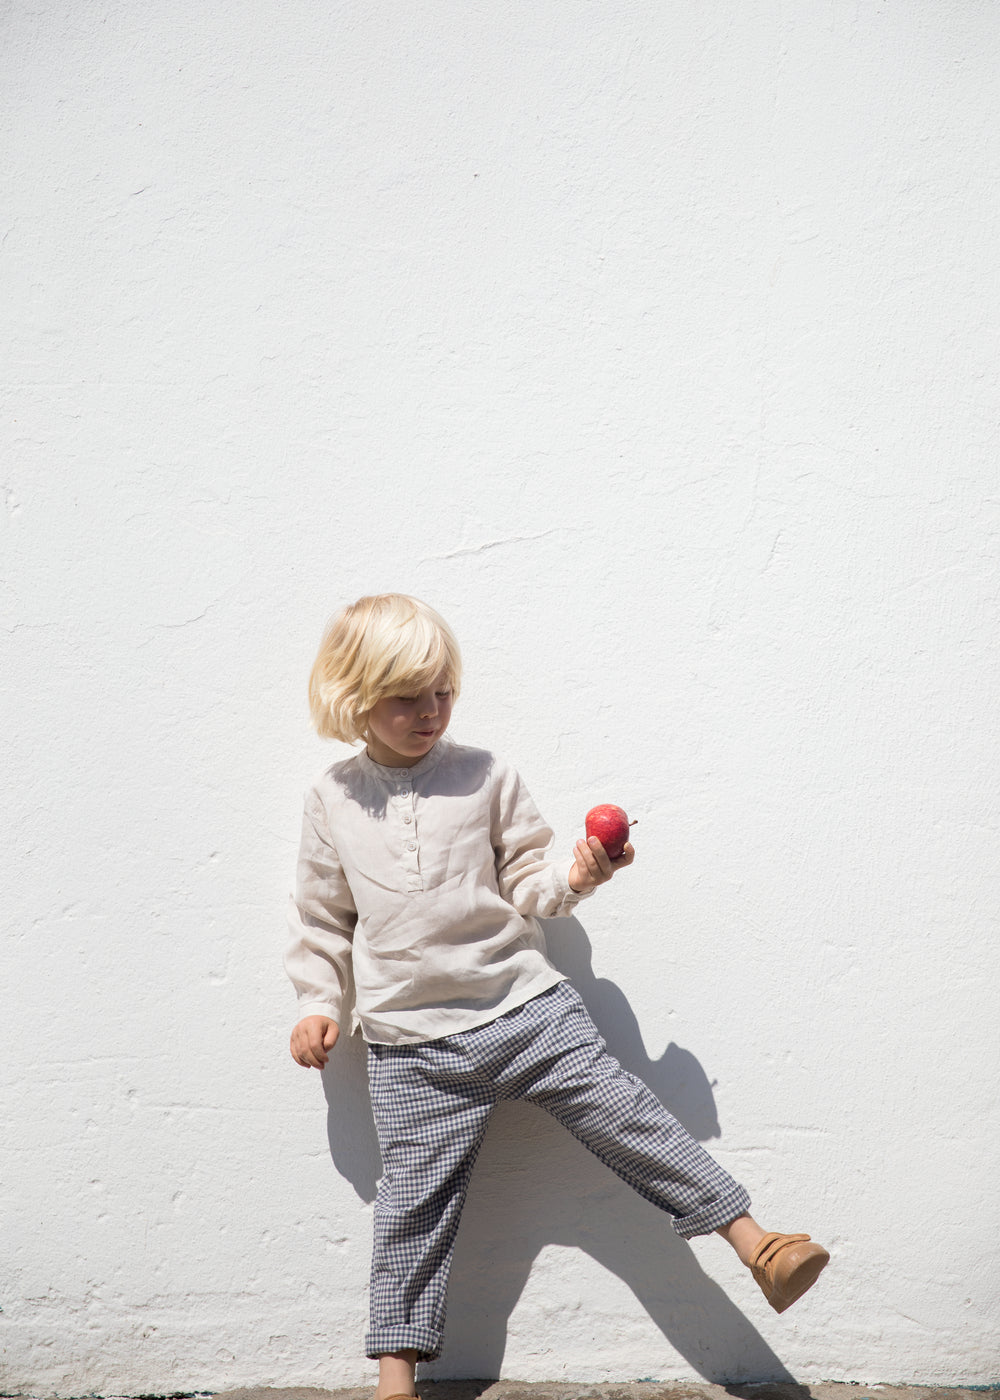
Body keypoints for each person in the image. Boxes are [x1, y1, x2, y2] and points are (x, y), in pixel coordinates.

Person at [285, 593, 829, 1399]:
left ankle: (761, 1247)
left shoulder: (486, 775)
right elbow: (322, 917)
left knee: (630, 1118)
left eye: (444, 691)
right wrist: (316, 1002)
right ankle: (395, 1382)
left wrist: (576, 877)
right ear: (354, 697)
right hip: (410, 1044)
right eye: (408, 697)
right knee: (410, 1210)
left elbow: (528, 882)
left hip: (524, 1009)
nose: (431, 711)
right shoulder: (333, 798)